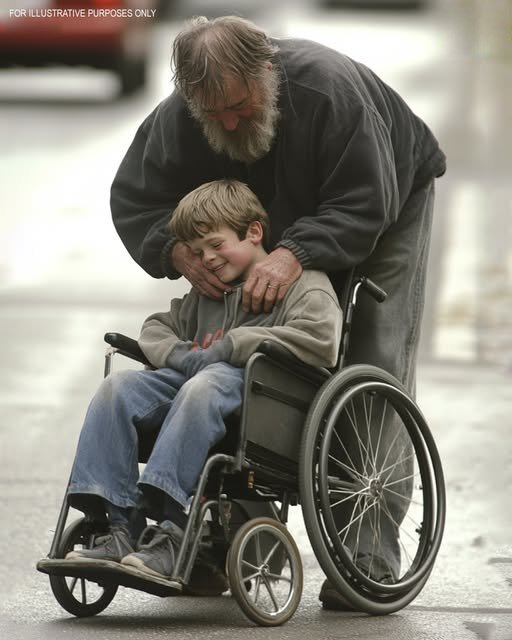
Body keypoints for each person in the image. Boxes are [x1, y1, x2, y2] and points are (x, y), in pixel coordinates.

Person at [109, 16, 447, 608]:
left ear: (267, 71)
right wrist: (177, 248)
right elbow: (136, 197)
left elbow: (365, 200)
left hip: (383, 202)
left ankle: (367, 551)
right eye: (214, 115)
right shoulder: (185, 114)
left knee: (369, 355)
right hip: (257, 224)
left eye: (241, 106)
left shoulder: (326, 92)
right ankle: (230, 543)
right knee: (244, 363)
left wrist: (296, 252)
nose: (231, 122)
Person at [64, 179, 342, 594]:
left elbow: (322, 339)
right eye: (196, 252)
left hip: (262, 405)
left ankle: (173, 528)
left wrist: (235, 344)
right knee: (117, 388)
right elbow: (157, 326)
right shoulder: (206, 294)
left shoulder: (303, 283)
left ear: (253, 233)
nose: (206, 260)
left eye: (215, 245)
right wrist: (179, 354)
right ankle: (116, 525)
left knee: (208, 382)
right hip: (194, 393)